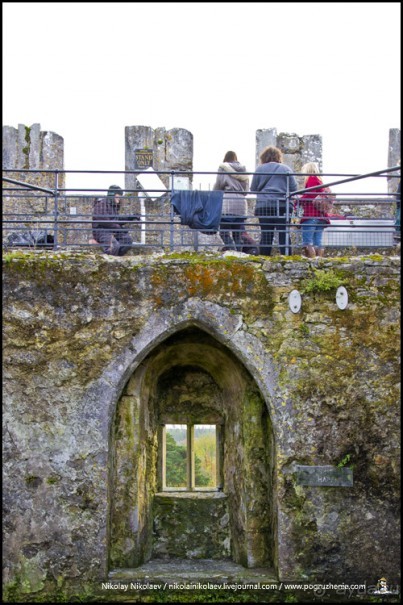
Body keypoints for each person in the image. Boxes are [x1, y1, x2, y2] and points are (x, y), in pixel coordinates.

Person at [251, 146, 298, 256]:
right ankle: (286, 258)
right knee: (284, 233)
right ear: (278, 156)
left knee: (266, 234)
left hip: (264, 205)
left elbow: (253, 188)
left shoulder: (259, 169)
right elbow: (294, 188)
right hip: (283, 205)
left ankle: (264, 258)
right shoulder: (286, 169)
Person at [213, 151, 250, 251]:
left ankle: (232, 251)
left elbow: (218, 186)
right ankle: (238, 253)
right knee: (237, 234)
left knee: (223, 232)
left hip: (227, 203)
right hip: (241, 204)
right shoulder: (244, 169)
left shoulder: (223, 168)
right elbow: (246, 190)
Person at [91, 185, 139, 256]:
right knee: (114, 245)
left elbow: (117, 219)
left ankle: (116, 259)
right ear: (112, 195)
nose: (119, 198)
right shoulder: (101, 205)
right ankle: (108, 262)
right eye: (118, 196)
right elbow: (105, 221)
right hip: (101, 231)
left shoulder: (113, 207)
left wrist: (130, 217)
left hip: (111, 231)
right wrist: (119, 229)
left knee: (127, 241)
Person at [298, 162, 331, 258]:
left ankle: (311, 263)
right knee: (318, 241)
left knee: (307, 241)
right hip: (321, 216)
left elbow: (310, 195)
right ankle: (319, 262)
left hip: (311, 214)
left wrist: (299, 199)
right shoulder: (320, 181)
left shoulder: (311, 178)